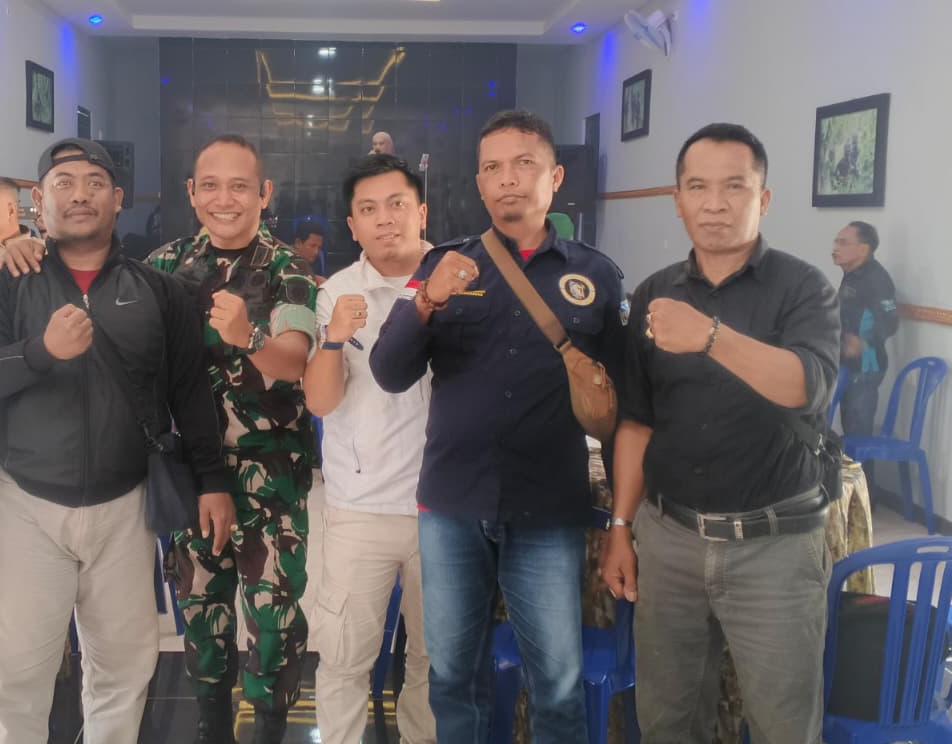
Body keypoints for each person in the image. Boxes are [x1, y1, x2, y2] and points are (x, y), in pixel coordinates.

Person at [0, 138, 233, 743]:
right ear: (39, 201)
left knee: (122, 668)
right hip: (28, 504)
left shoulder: (160, 291)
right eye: (64, 183)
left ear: (118, 199)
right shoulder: (8, 282)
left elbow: (190, 393)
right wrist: (41, 350)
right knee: (17, 674)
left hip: (125, 505)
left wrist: (212, 480)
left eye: (94, 183)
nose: (79, 194)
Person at [370, 110, 627, 743]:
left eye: (523, 164)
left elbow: (623, 411)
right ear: (480, 184)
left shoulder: (595, 275)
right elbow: (389, 372)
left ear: (555, 177)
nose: (507, 179)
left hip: (548, 507)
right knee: (454, 678)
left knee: (557, 684)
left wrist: (623, 523)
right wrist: (426, 300)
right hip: (453, 504)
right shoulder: (445, 264)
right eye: (492, 168)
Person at [600, 123, 840, 744]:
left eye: (735, 186)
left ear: (763, 198)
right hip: (670, 540)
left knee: (785, 726)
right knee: (668, 722)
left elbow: (809, 386)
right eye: (698, 187)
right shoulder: (655, 293)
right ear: (677, 199)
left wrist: (709, 337)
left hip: (775, 545)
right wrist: (621, 526)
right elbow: (637, 421)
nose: (715, 203)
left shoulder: (803, 287)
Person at [147, 134, 318, 744]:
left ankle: (269, 726)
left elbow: (294, 361)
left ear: (264, 193)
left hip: (272, 475)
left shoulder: (287, 270)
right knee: (200, 609)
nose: (225, 199)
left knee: (273, 618)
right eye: (212, 186)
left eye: (240, 186)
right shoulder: (164, 267)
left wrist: (248, 337)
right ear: (192, 193)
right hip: (192, 472)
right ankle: (210, 724)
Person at [303, 154, 436, 744]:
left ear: (421, 211)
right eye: (368, 209)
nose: (385, 219)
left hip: (445, 507)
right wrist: (333, 341)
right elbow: (320, 402)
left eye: (397, 204)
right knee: (344, 659)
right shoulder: (338, 291)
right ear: (352, 225)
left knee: (434, 661)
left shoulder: (458, 279)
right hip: (360, 509)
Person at [831, 220, 897, 436]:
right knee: (847, 431)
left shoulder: (876, 279)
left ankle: (859, 462)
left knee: (857, 435)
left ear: (862, 249)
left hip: (866, 366)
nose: (835, 248)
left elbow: (890, 321)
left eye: (843, 243)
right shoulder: (851, 276)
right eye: (836, 242)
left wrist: (863, 342)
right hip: (848, 364)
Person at [291, 220, 326, 284]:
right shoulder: (283, 262)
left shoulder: (317, 261)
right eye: (313, 246)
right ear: (298, 243)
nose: (316, 252)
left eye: (319, 248)